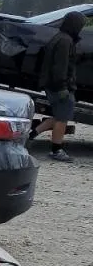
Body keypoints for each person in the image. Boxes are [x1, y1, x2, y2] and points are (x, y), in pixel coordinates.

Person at [29, 10, 85, 162]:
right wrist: (63, 88)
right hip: (59, 86)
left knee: (58, 116)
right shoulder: (65, 41)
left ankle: (30, 135)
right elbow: (60, 67)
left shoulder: (60, 38)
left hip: (52, 85)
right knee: (62, 119)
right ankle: (56, 150)